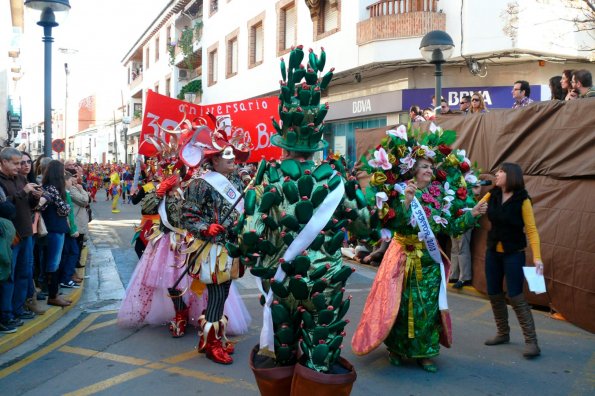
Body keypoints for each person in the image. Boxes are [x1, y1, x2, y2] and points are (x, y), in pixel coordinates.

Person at [239, 48, 366, 394]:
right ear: (316, 140)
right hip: (325, 282)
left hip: (282, 281)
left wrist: (259, 260)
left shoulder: (268, 178)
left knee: (279, 358)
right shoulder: (337, 176)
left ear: (283, 138)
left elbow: (247, 236)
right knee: (319, 361)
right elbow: (364, 227)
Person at [352, 124, 487, 373]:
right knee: (398, 306)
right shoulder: (401, 192)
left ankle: (425, 352)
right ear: (413, 170)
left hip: (428, 261)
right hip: (402, 258)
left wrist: (472, 214)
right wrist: (405, 201)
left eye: (430, 166)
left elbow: (452, 227)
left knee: (427, 308)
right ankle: (396, 348)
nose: (429, 169)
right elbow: (395, 224)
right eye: (424, 166)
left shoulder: (438, 195)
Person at [182, 118, 251, 365]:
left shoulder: (237, 182)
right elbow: (187, 214)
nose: (233, 159)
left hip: (231, 247)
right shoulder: (200, 184)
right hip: (213, 249)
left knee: (224, 292)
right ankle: (211, 345)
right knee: (217, 295)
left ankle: (213, 338)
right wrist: (204, 227)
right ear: (214, 160)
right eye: (227, 155)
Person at [482, 162, 543, 359]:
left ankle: (531, 341)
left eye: (500, 171)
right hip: (493, 251)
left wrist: (537, 258)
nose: (496, 174)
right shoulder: (492, 194)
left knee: (516, 295)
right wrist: (473, 193)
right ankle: (503, 333)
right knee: (494, 292)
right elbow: (475, 209)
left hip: (513, 253)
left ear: (511, 176)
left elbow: (532, 230)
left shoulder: (522, 199)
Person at [0, 148, 41, 332]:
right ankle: (6, 315)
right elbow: (5, 207)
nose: (20, 167)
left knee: (24, 273)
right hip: (10, 237)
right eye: (15, 163)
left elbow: (27, 206)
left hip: (26, 233)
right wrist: (23, 192)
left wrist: (34, 198)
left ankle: (18, 309)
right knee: (9, 277)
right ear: (3, 162)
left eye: (21, 163)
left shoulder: (20, 178)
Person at [40, 160, 72, 307]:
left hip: (55, 228)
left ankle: (55, 293)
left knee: (53, 262)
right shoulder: (52, 189)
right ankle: (53, 295)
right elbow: (65, 209)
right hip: (54, 229)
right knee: (53, 263)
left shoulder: (49, 187)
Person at [450, 182, 482, 289]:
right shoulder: (455, 179)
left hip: (465, 223)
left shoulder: (471, 198)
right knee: (454, 249)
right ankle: (454, 274)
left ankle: (464, 278)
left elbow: (476, 210)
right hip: (454, 221)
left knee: (462, 248)